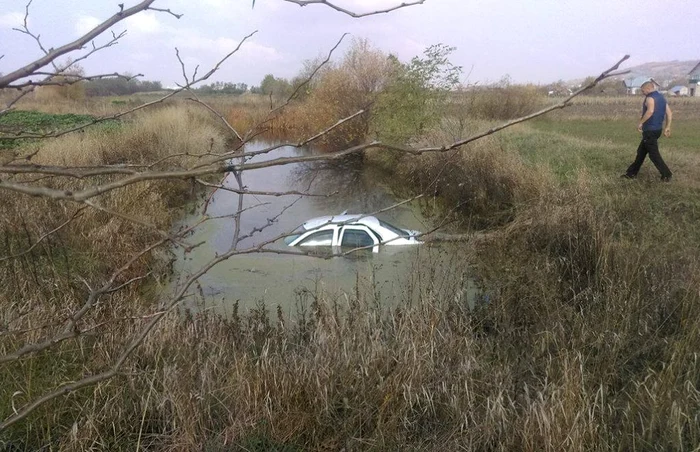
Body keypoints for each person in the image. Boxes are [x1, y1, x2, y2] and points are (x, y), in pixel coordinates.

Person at [621, 81, 673, 181]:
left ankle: (667, 175)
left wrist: (641, 122)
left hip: (650, 130)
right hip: (657, 130)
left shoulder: (650, 98)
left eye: (643, 90)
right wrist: (667, 127)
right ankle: (631, 174)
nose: (642, 92)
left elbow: (650, 111)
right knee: (641, 152)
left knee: (654, 155)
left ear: (648, 89)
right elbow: (669, 113)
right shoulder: (661, 97)